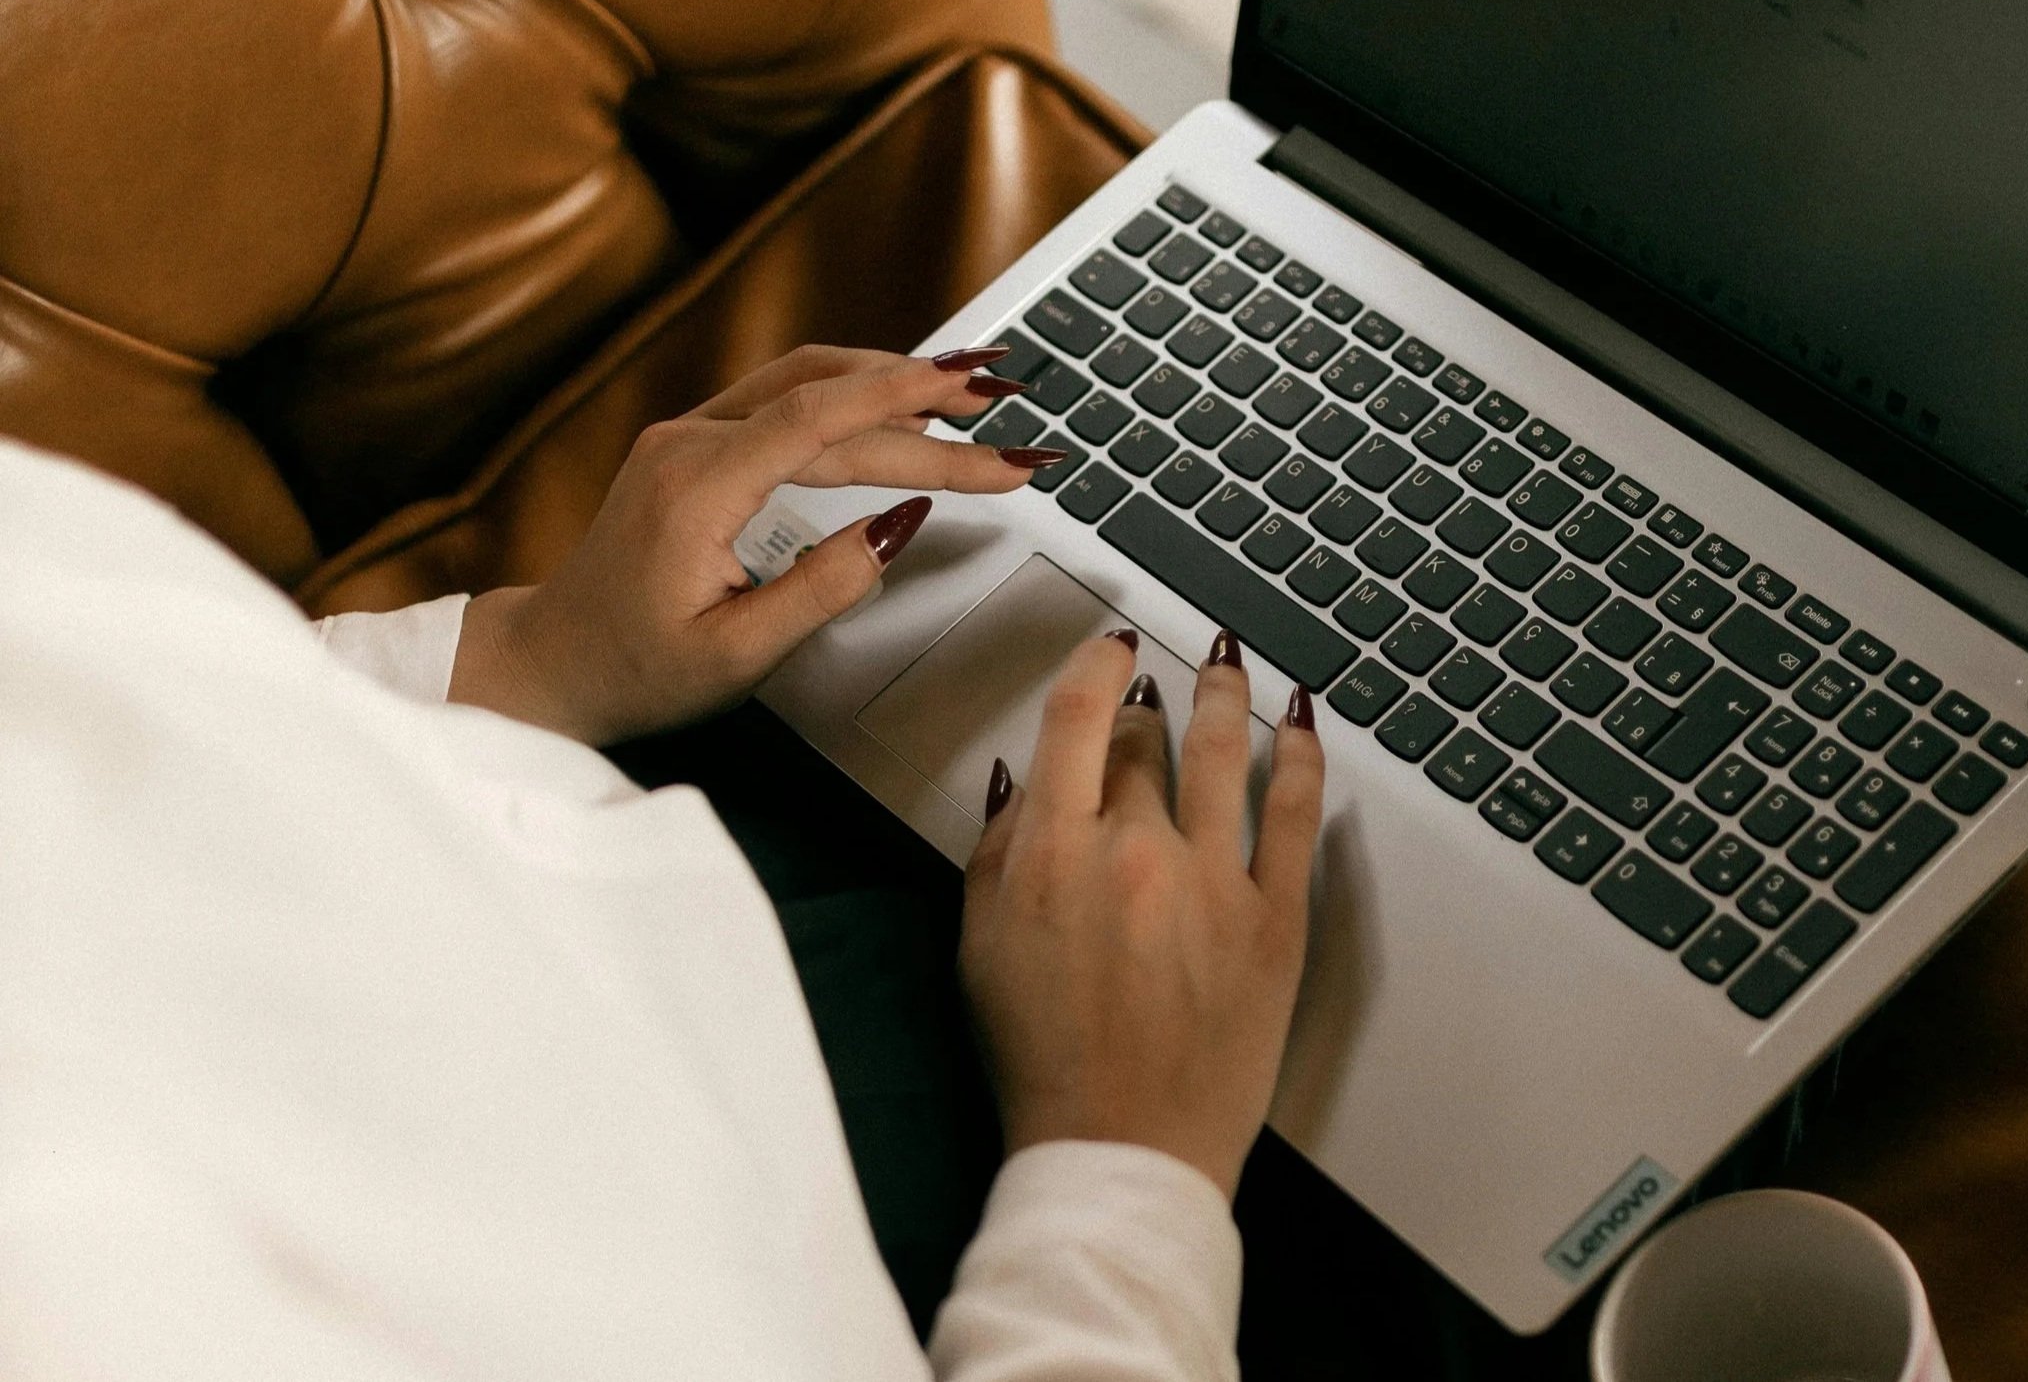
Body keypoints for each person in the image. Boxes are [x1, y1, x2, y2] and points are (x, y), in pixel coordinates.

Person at [0, 344, 1323, 1381]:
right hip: (1021, 1254)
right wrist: (1126, 1182)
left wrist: (531, 661)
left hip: (609, 830)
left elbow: (109, 737)